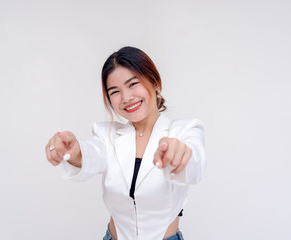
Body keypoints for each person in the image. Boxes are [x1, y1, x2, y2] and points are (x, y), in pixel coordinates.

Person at [45, 46, 206, 240]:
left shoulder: (185, 131)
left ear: (155, 82)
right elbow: (92, 153)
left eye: (132, 84)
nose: (127, 98)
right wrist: (75, 152)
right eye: (115, 91)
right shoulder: (108, 136)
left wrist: (181, 155)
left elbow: (195, 163)